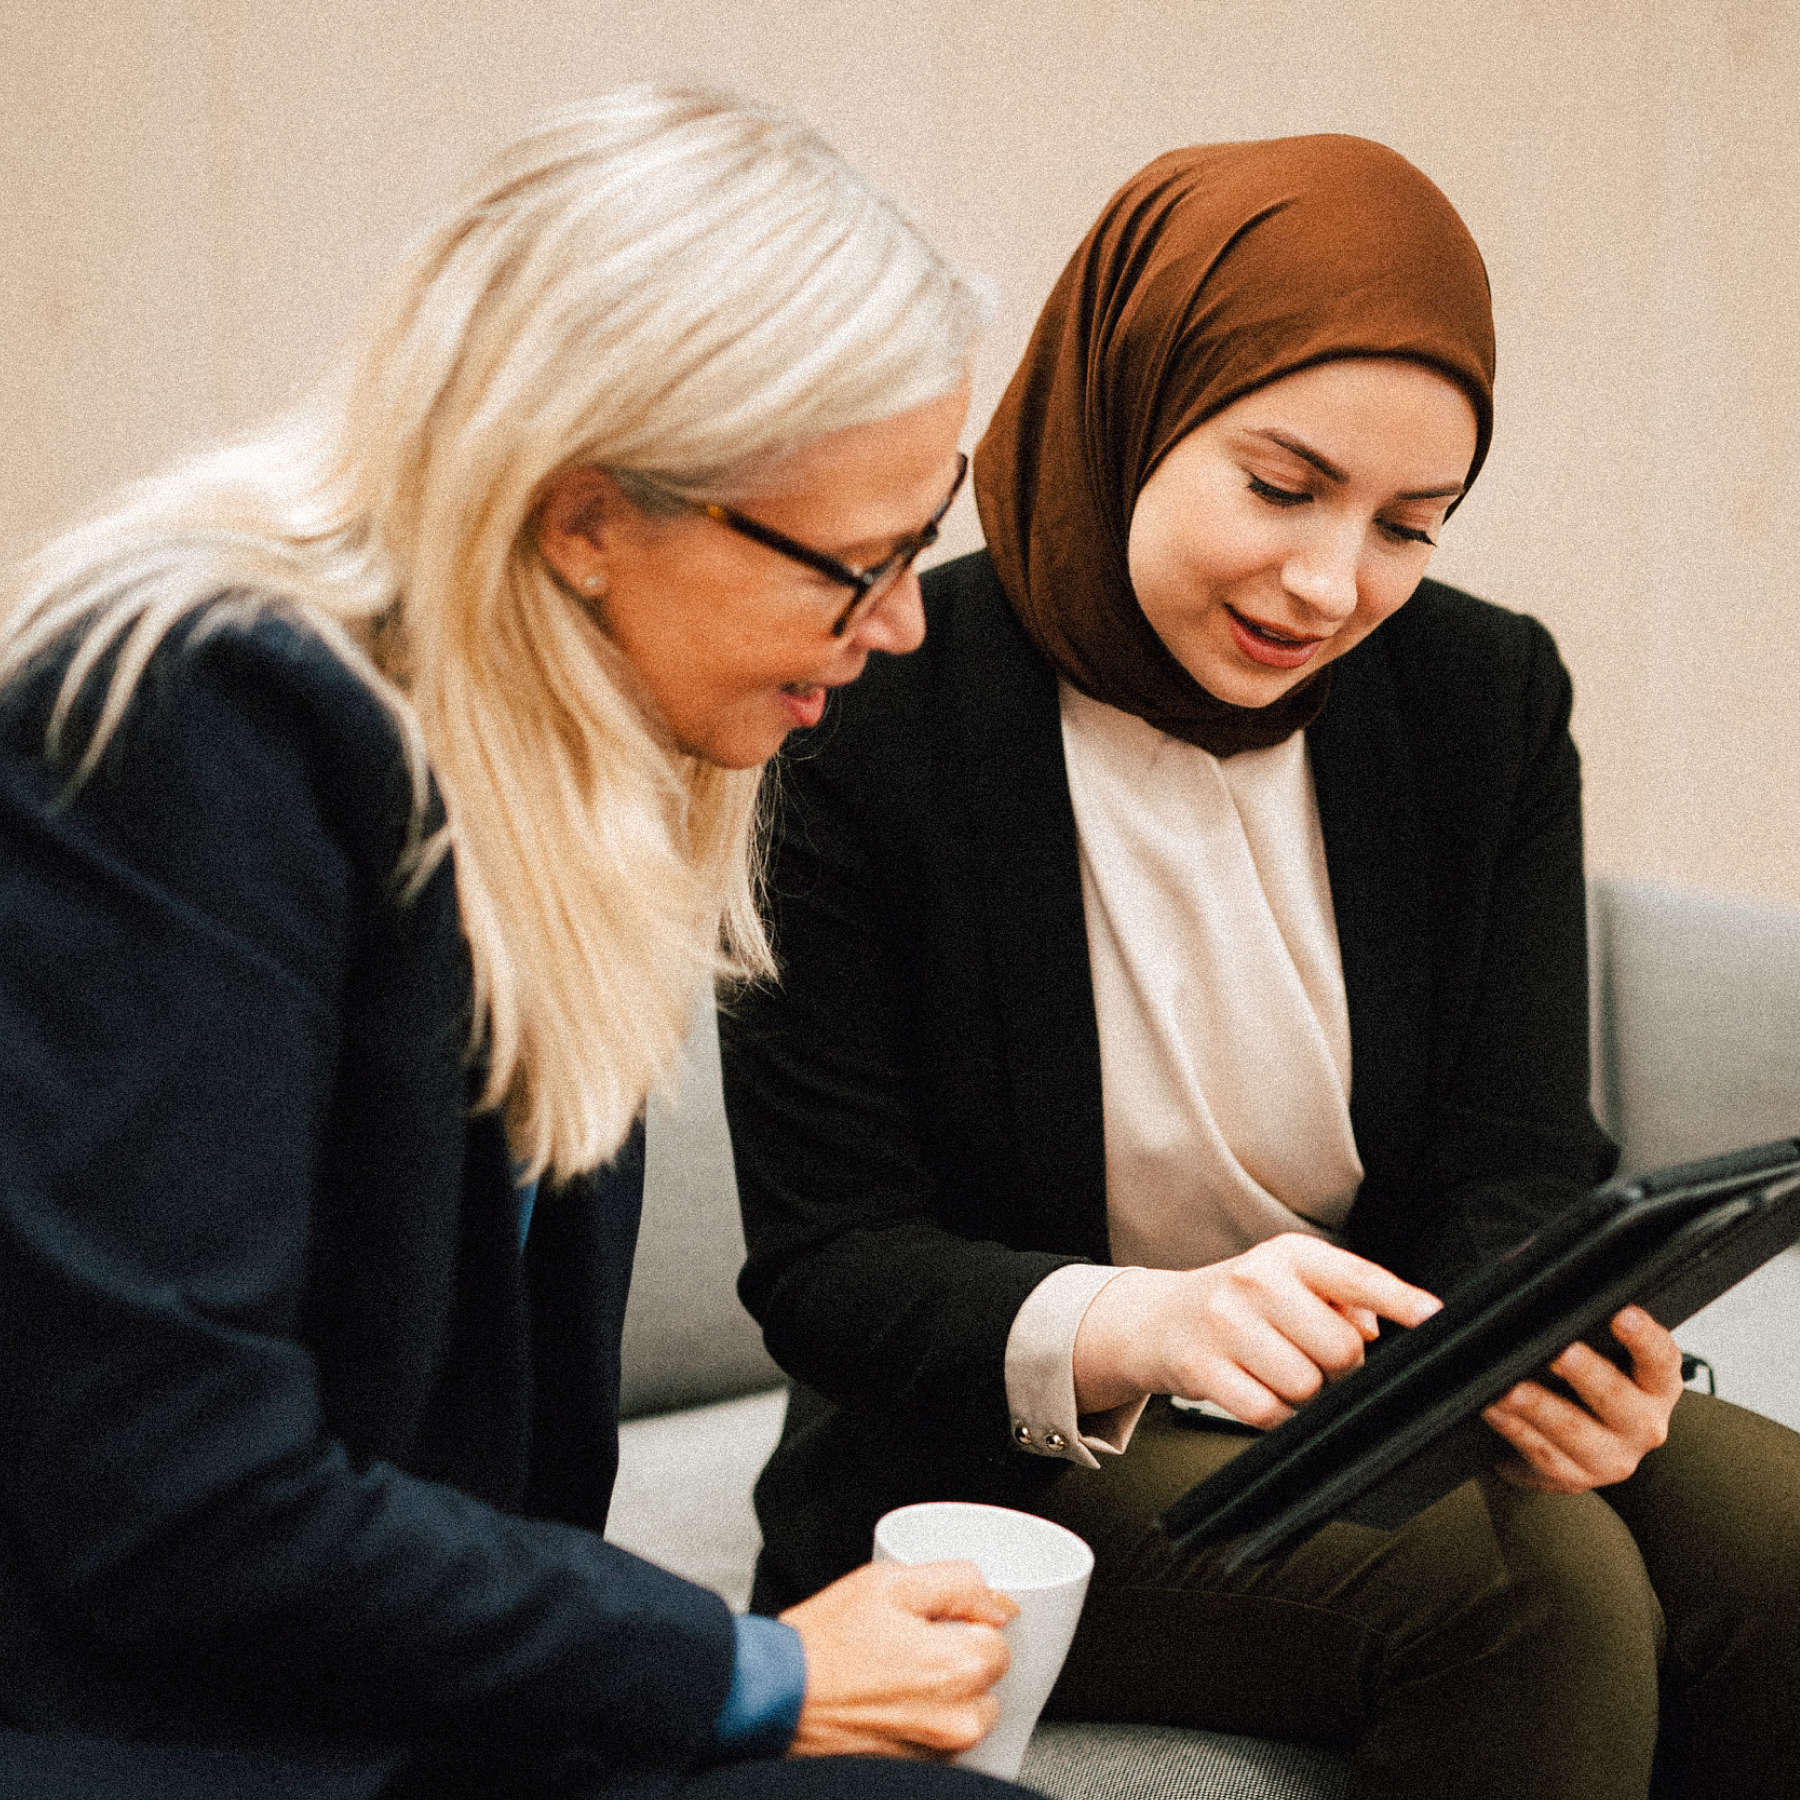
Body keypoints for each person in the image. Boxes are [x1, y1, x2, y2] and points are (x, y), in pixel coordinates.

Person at [719, 135, 1800, 1800]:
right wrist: (1150, 1322)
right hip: (1002, 1455)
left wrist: (1540, 1349)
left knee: (1778, 1537)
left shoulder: (1481, 695)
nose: (1331, 583)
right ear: (1131, 407)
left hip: (1381, 1394)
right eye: (1282, 489)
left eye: (1408, 527)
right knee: (1536, 1596)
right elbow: (832, 1262)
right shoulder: (864, 712)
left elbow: (1518, 1155)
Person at [0, 84, 1032, 1800]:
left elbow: (509, 1482)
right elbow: (175, 1501)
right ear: (583, 515)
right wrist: (743, 1669)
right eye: (856, 563)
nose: (904, 623)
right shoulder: (200, 722)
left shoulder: (581, 759)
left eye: (917, 545)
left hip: (399, 1704)